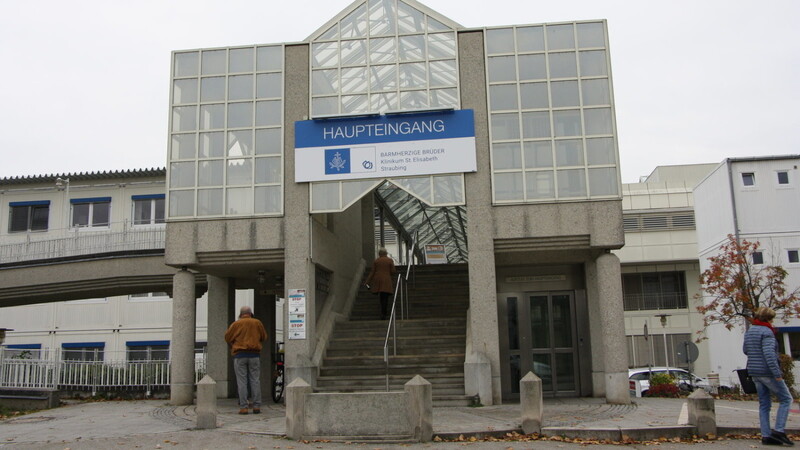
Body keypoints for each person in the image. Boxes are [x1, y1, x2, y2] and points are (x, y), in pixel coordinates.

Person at [743, 306, 794, 446]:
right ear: (769, 318)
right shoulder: (767, 332)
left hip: (754, 372)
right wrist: (777, 374)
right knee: (786, 399)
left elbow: (746, 350)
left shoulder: (750, 331)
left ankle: (766, 435)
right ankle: (779, 431)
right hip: (767, 372)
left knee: (764, 404)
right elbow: (770, 355)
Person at [224, 305, 268, 415]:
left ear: (240, 314)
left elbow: (227, 338)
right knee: (255, 380)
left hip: (240, 355)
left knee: (241, 381)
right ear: (251, 313)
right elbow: (264, 337)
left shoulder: (236, 324)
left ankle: (244, 407)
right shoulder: (257, 323)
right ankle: (256, 406)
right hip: (254, 355)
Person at [364, 248, 396, 320]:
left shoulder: (376, 261)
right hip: (387, 280)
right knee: (385, 297)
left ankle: (382, 312)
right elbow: (393, 271)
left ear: (379, 254)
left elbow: (372, 272)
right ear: (386, 253)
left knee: (382, 296)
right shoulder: (389, 260)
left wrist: (367, 282)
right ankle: (384, 312)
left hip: (378, 280)